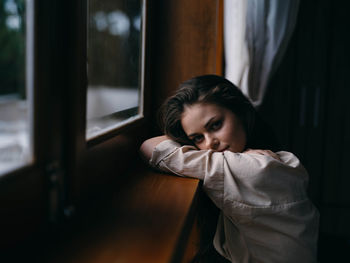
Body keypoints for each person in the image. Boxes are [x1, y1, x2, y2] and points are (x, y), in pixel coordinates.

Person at [140, 75, 319, 263]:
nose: (210, 143)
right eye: (197, 138)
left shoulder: (257, 169)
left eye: (216, 125)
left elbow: (150, 148)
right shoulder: (270, 160)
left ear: (240, 112)